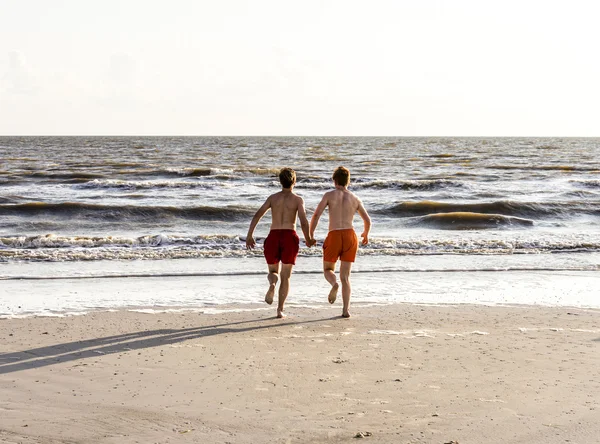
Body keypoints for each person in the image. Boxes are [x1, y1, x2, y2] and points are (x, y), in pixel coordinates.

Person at [246, 167, 316, 318]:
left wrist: (249, 235)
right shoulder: (298, 200)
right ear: (294, 181)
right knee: (286, 276)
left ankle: (272, 284)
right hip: (289, 237)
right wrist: (309, 239)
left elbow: (258, 215)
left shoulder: (273, 198)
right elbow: (303, 222)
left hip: (273, 236)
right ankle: (280, 310)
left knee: (273, 272)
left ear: (280, 181)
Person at [309, 166, 371, 318]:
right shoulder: (355, 198)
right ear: (348, 182)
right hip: (350, 235)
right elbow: (367, 220)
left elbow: (316, 215)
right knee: (346, 277)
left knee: (328, 269)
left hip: (334, 234)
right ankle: (345, 310)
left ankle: (333, 283)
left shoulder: (329, 195)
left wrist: (310, 234)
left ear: (334, 180)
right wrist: (365, 234)